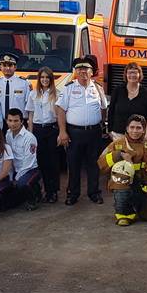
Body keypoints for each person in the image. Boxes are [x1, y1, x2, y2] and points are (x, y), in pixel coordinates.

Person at [98, 114, 147, 225]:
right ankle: (124, 213)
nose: (135, 131)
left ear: (144, 130)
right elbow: (101, 164)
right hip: (124, 184)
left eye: (138, 128)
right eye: (132, 127)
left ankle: (141, 205)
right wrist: (118, 155)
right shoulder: (117, 145)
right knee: (120, 178)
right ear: (127, 128)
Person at [57, 58, 107, 205]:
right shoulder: (69, 88)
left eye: (86, 69)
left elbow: (104, 108)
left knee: (94, 164)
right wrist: (62, 132)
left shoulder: (97, 88)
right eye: (79, 69)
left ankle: (94, 192)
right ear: (76, 72)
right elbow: (60, 110)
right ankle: (73, 194)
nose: (83, 72)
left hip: (94, 132)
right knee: (73, 164)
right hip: (74, 133)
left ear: (92, 72)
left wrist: (101, 125)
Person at [26, 66, 61, 202]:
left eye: (47, 77)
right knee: (41, 162)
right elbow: (30, 114)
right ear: (39, 79)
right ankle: (42, 190)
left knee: (53, 162)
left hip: (52, 130)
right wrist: (30, 133)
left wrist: (60, 132)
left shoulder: (57, 93)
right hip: (37, 130)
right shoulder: (33, 94)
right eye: (42, 77)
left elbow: (59, 115)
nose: (45, 80)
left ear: (51, 79)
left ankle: (53, 192)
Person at [4, 109, 42, 209]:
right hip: (16, 170)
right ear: (6, 121)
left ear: (21, 121)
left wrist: (16, 179)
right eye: (10, 120)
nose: (13, 124)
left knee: (22, 184)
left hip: (30, 169)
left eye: (16, 121)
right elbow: (10, 158)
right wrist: (10, 177)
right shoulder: (8, 135)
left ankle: (32, 199)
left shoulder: (29, 138)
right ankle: (32, 189)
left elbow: (28, 163)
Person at [108, 62, 147, 140]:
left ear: (139, 75)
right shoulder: (118, 90)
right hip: (118, 135)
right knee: (119, 153)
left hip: (138, 136)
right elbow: (111, 111)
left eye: (135, 73)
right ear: (126, 75)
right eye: (130, 73)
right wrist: (110, 131)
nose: (132, 75)